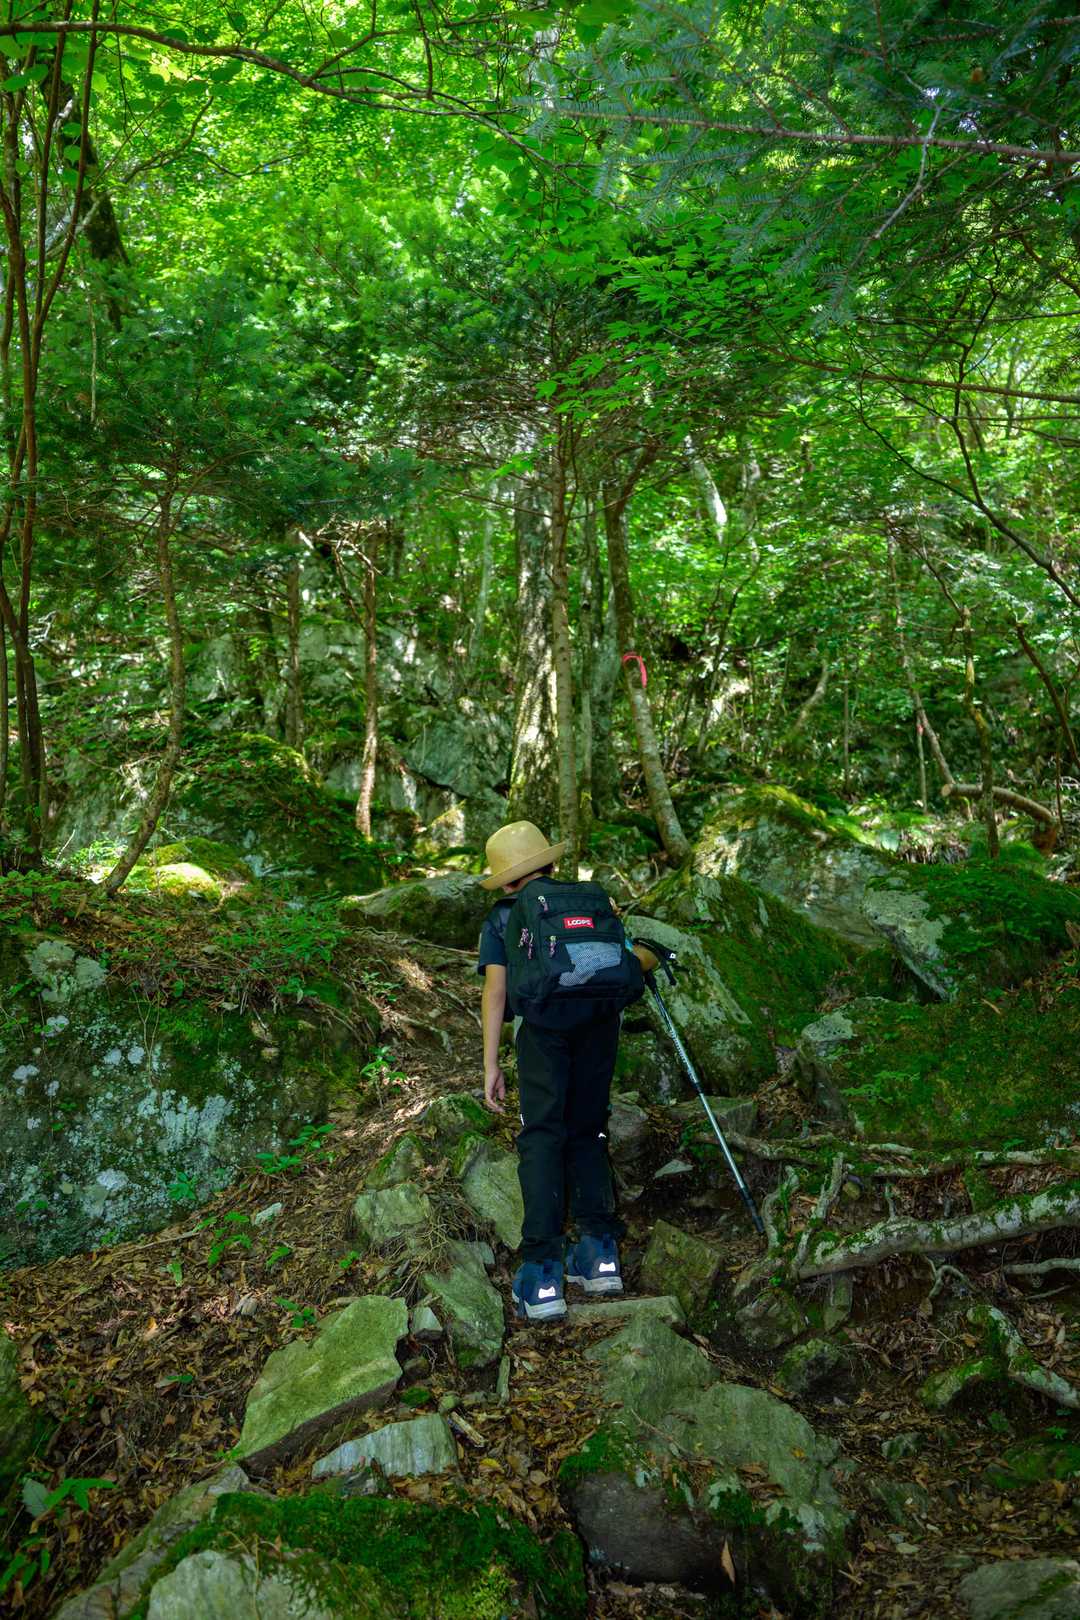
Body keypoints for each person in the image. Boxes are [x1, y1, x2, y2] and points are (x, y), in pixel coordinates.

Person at [477, 819, 655, 1323]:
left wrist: (491, 1063)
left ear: (506, 879)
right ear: (549, 863)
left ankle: (542, 1276)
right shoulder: (589, 903)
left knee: (542, 1137)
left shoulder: (503, 918)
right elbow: (622, 960)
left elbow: (496, 991)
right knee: (589, 1130)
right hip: (599, 1027)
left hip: (541, 1034)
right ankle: (600, 1257)